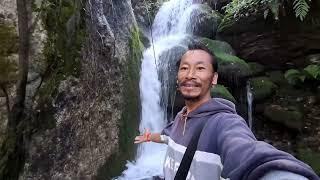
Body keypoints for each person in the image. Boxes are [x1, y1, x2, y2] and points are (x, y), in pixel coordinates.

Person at [134, 43, 320, 180]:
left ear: (214, 78)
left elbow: (248, 152)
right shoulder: (180, 119)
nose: (190, 74)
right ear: (177, 77)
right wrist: (150, 137)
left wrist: (280, 173)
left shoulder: (224, 122)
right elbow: (167, 136)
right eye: (184, 68)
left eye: (200, 68)